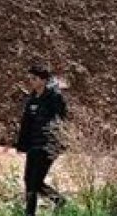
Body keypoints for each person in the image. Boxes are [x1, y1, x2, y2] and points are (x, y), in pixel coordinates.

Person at [16, 64, 68, 216]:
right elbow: (26, 123)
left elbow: (60, 121)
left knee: (35, 182)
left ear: (44, 80)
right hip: (33, 145)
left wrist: (54, 141)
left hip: (47, 146)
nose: (31, 81)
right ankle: (56, 201)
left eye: (34, 78)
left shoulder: (54, 97)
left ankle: (47, 205)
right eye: (30, 78)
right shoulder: (32, 98)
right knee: (28, 180)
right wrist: (22, 144)